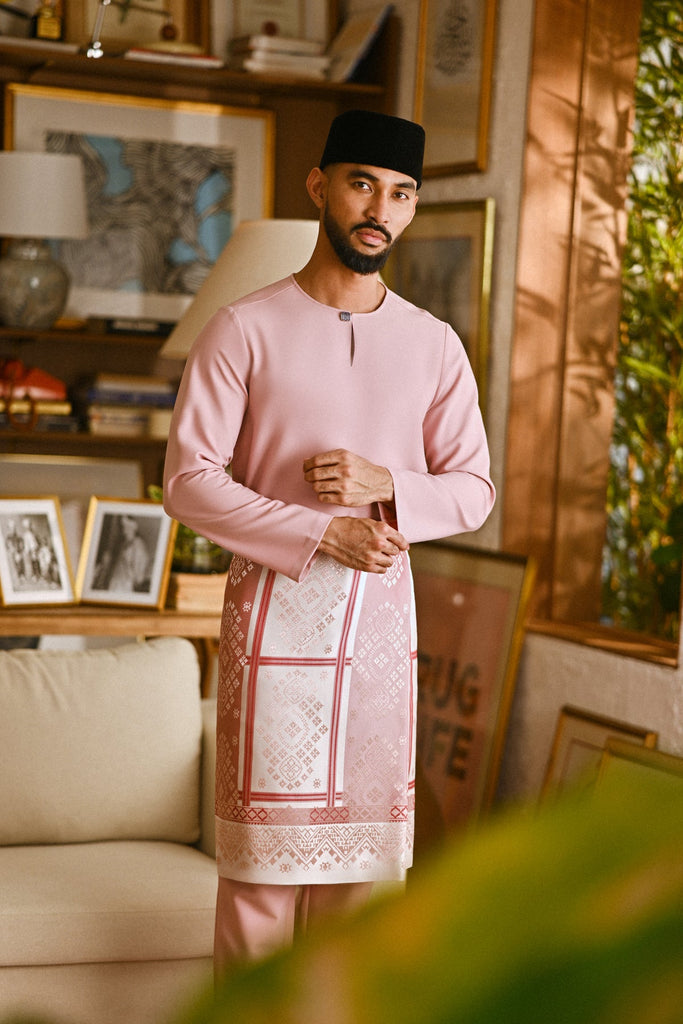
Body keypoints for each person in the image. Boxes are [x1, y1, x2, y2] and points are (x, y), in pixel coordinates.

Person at [163, 109, 495, 974]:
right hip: (271, 630)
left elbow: (473, 491)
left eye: (401, 194)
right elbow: (188, 481)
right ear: (319, 187)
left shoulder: (433, 345)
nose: (380, 210)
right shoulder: (242, 328)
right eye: (362, 185)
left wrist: (386, 485)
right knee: (260, 887)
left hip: (379, 640)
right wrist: (323, 530)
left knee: (361, 893)